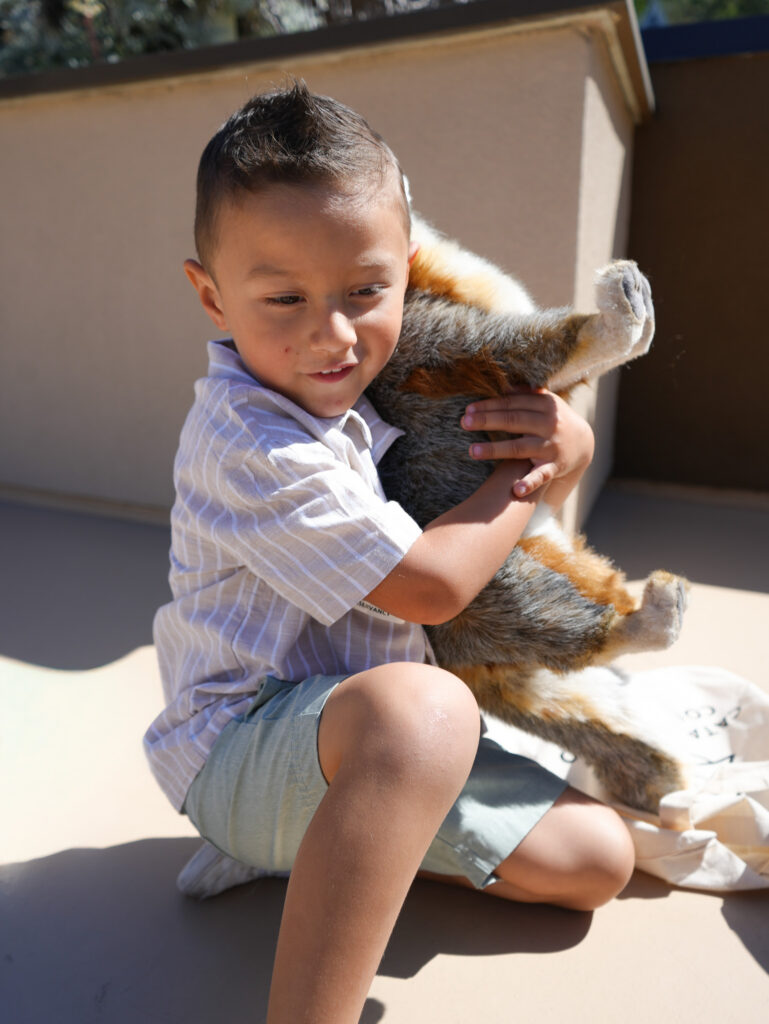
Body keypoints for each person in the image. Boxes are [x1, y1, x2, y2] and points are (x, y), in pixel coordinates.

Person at [144, 81, 635, 1023]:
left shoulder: (369, 390)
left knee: (596, 863)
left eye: (366, 291)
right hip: (239, 747)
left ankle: (347, 853)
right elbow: (431, 587)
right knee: (425, 713)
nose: (332, 335)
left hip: (361, 746)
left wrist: (549, 439)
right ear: (209, 293)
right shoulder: (250, 439)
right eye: (281, 297)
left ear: (408, 271)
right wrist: (535, 473)